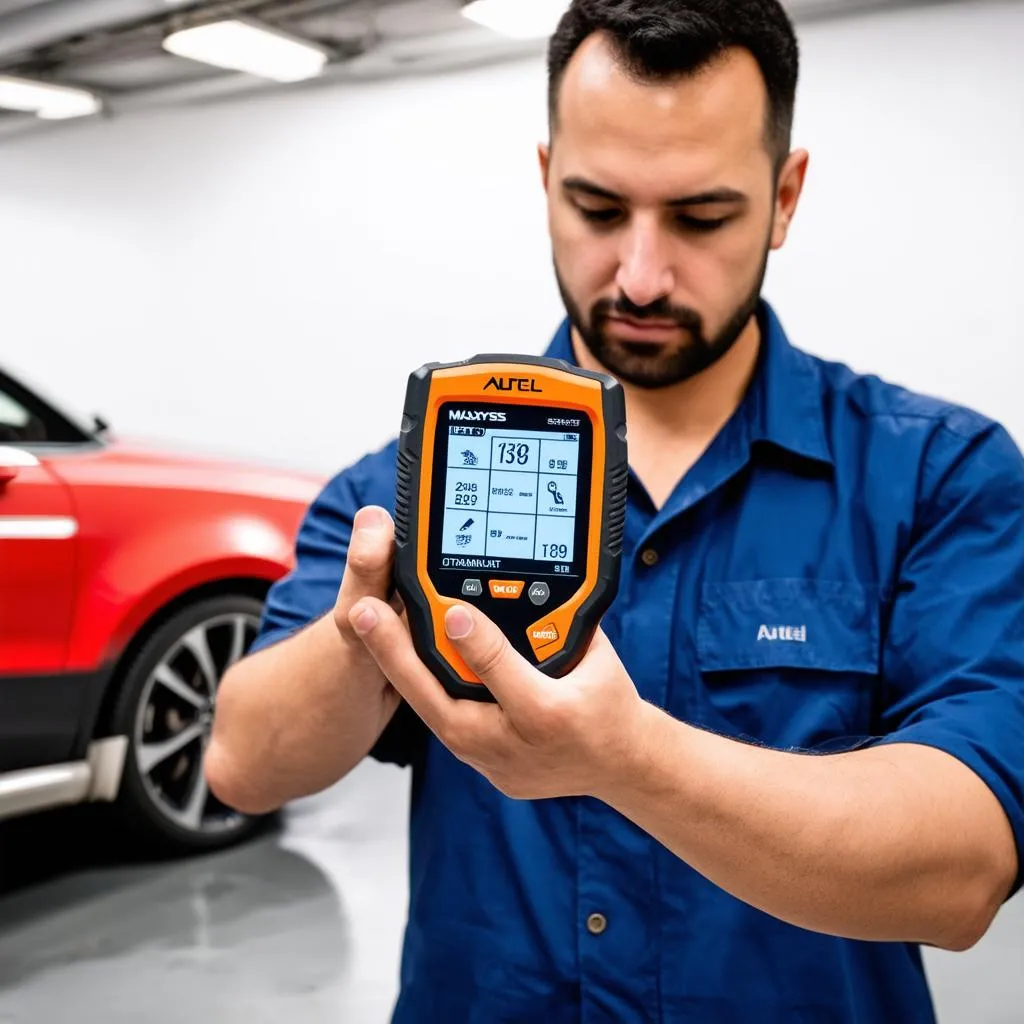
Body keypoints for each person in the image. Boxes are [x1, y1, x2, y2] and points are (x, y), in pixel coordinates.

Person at [205, 1, 1024, 1021]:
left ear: (783, 197)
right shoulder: (407, 485)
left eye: (700, 217)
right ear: (545, 179)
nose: (639, 274)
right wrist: (370, 628)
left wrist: (634, 762)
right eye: (596, 209)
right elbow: (242, 763)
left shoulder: (937, 475)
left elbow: (960, 871)